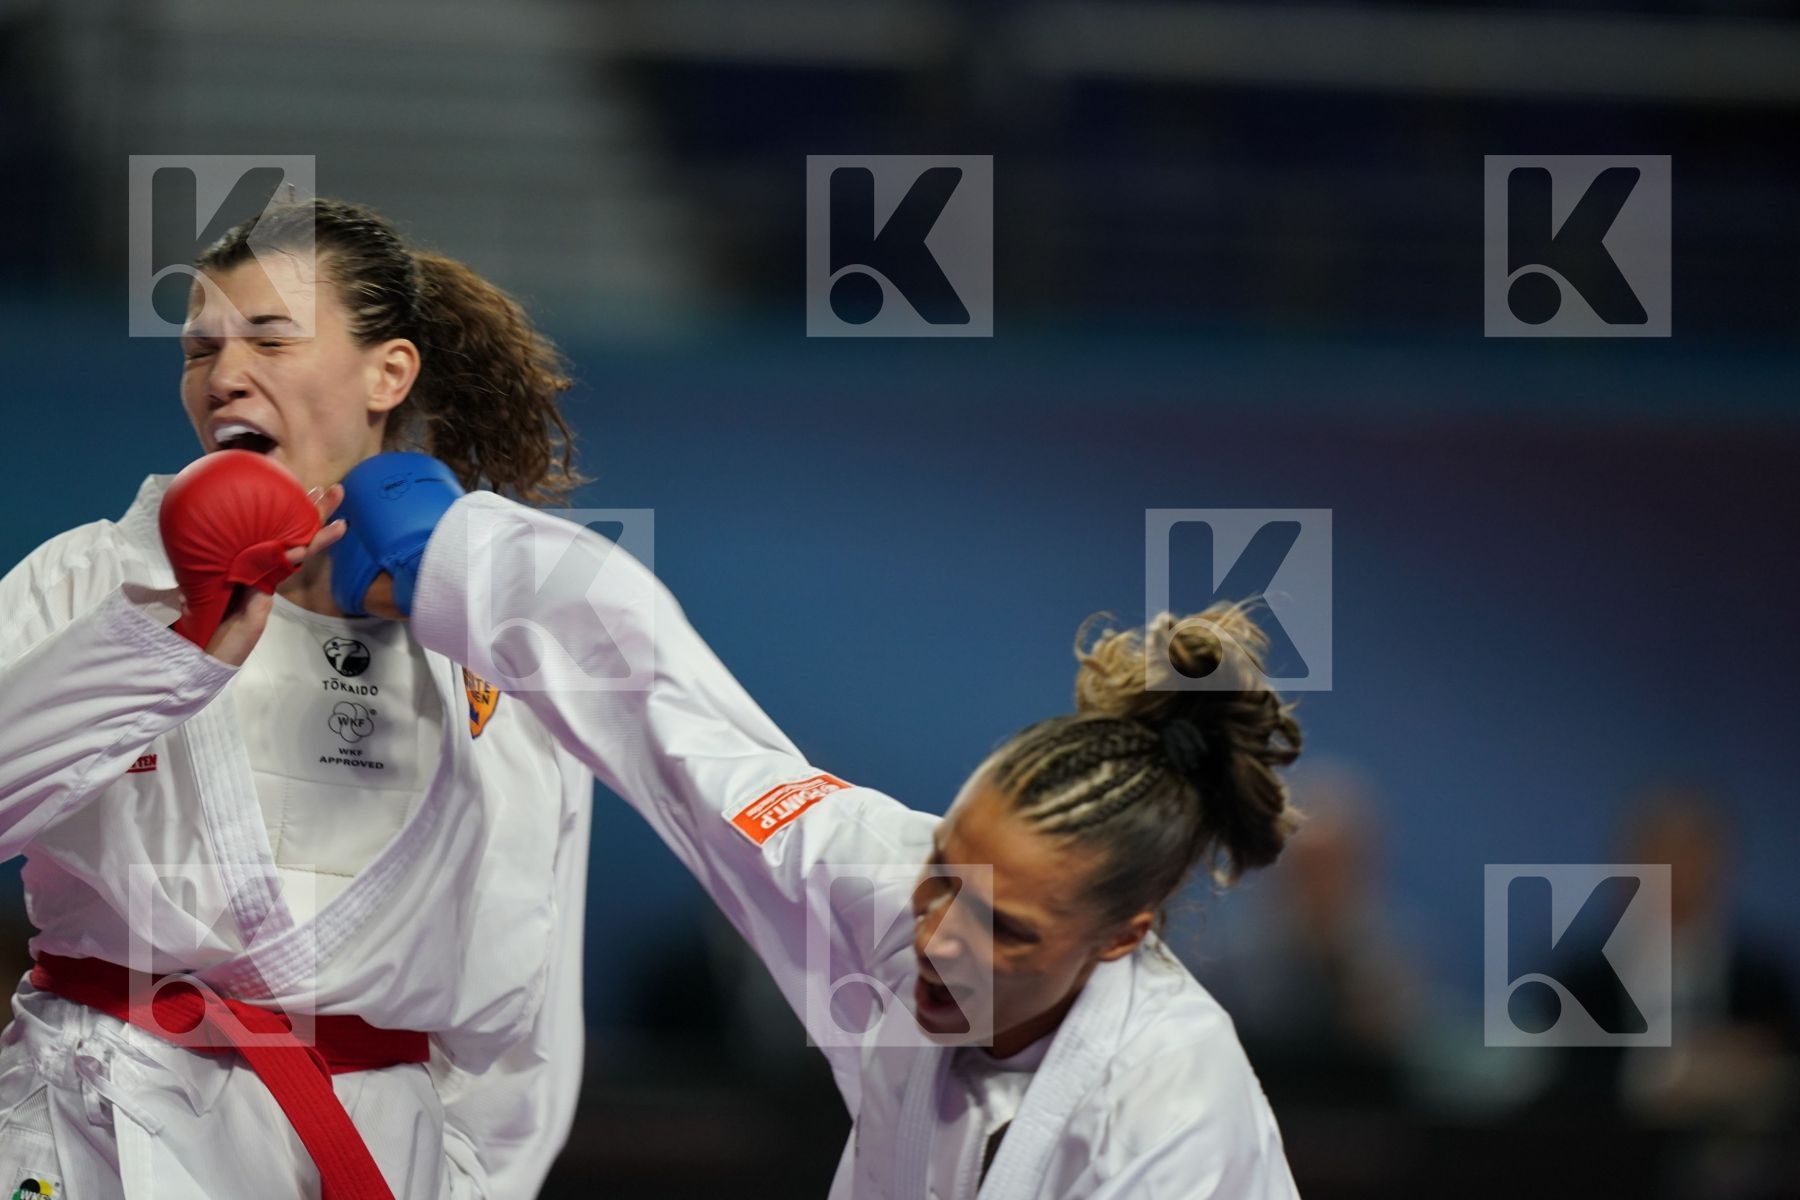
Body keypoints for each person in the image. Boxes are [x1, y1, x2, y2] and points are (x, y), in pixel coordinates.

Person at [360, 471, 1308, 1198]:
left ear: (1121, 936)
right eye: (942, 873)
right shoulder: (889, 892)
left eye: (1006, 928)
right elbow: (690, 738)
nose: (938, 937)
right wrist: (460, 555)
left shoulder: (1169, 1112)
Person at [0, 198, 593, 1200]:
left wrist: (484, 1178)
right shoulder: (98, 579)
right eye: (200, 350)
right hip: (110, 1124)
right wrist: (165, 650)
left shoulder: (492, 642)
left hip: (376, 1142)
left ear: (387, 373)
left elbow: (523, 991)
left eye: (271, 340)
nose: (225, 375)